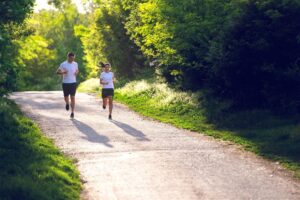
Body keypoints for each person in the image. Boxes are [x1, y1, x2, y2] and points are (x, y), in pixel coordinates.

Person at [56, 52, 79, 118]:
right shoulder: (63, 64)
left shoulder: (75, 64)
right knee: (66, 97)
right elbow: (57, 72)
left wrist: (76, 72)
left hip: (73, 83)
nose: (72, 59)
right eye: (71, 58)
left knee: (73, 97)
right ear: (68, 57)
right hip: (65, 83)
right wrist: (63, 72)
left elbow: (77, 70)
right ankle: (67, 103)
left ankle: (72, 112)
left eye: (73, 58)